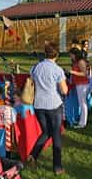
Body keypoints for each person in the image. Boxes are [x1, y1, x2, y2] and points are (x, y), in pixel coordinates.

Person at [27, 42, 68, 175]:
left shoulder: (35, 67)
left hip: (38, 104)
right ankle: (57, 167)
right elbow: (64, 90)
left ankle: (33, 155)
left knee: (46, 132)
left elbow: (31, 81)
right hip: (53, 104)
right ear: (57, 54)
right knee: (56, 135)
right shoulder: (57, 70)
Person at [69, 48, 89, 128]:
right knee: (81, 103)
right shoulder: (75, 62)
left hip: (82, 84)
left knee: (83, 103)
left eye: (71, 55)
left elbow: (85, 73)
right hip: (78, 84)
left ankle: (83, 123)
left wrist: (73, 72)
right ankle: (81, 120)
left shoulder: (81, 62)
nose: (70, 57)